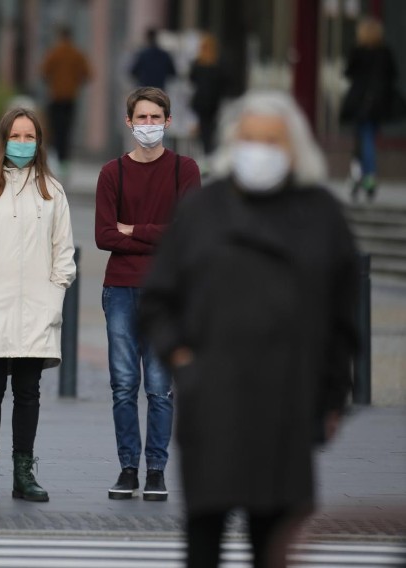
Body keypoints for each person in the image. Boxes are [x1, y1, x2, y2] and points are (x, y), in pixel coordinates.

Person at [138, 90, 358, 568]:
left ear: (294, 147)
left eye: (272, 141)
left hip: (288, 401)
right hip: (214, 398)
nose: (260, 151)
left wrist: (332, 395)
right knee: (205, 535)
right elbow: (157, 301)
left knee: (274, 541)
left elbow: (344, 316)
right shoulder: (203, 211)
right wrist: (182, 360)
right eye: (251, 139)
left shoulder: (319, 213)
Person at [0, 107, 76, 503]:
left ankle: (23, 471)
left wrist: (55, 292)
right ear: (2, 139)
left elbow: (63, 251)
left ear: (39, 142)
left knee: (29, 390)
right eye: (16, 136)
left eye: (30, 137)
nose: (22, 144)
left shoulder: (52, 191)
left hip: (38, 306)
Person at [94, 87, 200, 502]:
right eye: (142, 118)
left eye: (156, 118)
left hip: (166, 291)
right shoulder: (112, 173)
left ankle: (156, 471)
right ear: (129, 122)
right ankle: (127, 468)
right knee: (123, 385)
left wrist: (132, 230)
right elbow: (104, 235)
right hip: (119, 289)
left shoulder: (184, 170)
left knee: (159, 387)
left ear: (168, 122)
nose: (149, 126)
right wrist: (158, 236)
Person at [340, 16, 402, 202]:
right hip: (378, 103)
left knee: (364, 138)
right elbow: (393, 74)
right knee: (367, 137)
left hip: (360, 102)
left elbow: (348, 72)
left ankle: (366, 175)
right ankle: (363, 175)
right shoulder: (385, 53)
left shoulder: (358, 52)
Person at [40, 25, 92, 170]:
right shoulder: (77, 54)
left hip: (55, 96)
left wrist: (53, 81)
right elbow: (88, 74)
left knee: (55, 128)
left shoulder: (54, 52)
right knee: (67, 129)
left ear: (59, 36)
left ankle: (55, 157)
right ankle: (64, 161)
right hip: (71, 97)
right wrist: (75, 81)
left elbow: (43, 72)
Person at [189, 33, 226, 157]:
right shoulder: (218, 64)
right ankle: (208, 150)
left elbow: (192, 79)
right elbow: (224, 83)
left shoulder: (197, 63)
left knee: (203, 127)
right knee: (211, 127)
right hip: (213, 102)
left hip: (201, 101)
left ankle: (205, 150)